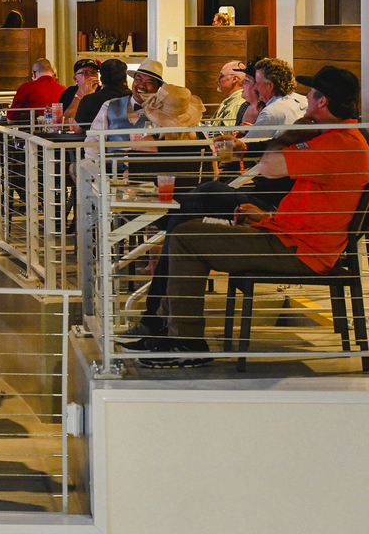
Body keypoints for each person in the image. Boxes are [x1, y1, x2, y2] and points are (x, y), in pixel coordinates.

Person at [142, 65, 369, 367]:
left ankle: (184, 341)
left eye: (311, 93)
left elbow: (269, 167)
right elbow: (312, 203)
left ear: (322, 101)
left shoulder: (339, 144)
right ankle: (167, 331)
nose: (306, 99)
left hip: (300, 250)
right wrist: (264, 217)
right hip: (291, 238)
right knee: (189, 227)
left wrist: (292, 132)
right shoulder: (340, 138)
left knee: (186, 236)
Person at [84, 58, 163, 140]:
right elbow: (93, 138)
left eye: (149, 82)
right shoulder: (108, 106)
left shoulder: (163, 112)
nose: (142, 85)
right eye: (139, 79)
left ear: (158, 88)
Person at [73, 58, 131, 130]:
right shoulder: (134, 99)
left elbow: (78, 129)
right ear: (125, 78)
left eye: (93, 72)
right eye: (85, 73)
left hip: (100, 137)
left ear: (101, 79)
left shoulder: (89, 100)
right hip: (133, 137)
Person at [8, 58, 66, 125]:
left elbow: (10, 119)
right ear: (53, 72)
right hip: (58, 130)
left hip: (30, 130)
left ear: (34, 73)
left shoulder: (26, 88)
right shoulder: (64, 90)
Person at [58, 59, 100, 124]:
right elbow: (66, 121)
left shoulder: (102, 91)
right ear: (75, 78)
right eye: (85, 73)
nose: (91, 75)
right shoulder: (68, 93)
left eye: (94, 72)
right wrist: (80, 94)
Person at [207, 61, 246, 127]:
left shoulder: (236, 104)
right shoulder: (230, 101)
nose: (217, 79)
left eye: (221, 76)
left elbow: (226, 132)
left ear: (234, 79)